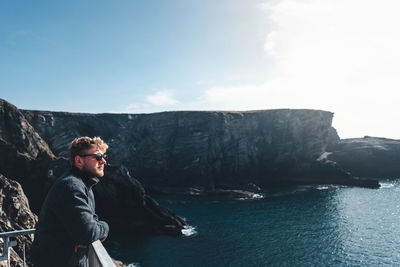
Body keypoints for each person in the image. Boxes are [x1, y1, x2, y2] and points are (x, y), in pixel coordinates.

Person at [31, 136, 110, 267]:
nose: (103, 162)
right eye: (98, 157)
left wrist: (86, 233)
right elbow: (88, 232)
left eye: (104, 156)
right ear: (79, 160)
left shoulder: (84, 185)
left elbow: (91, 220)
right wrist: (105, 227)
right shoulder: (71, 187)